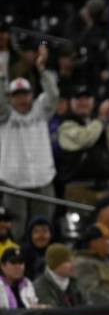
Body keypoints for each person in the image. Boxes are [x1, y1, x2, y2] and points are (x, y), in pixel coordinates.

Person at [0, 43, 59, 242]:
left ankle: (40, 263)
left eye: (25, 94)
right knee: (16, 229)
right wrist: (1, 78)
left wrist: (42, 71)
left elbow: (53, 96)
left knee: (43, 227)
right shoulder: (5, 116)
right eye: (16, 96)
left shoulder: (40, 110)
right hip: (14, 181)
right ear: (10, 98)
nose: (22, 99)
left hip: (42, 178)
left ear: (31, 94)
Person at [74, 223, 109, 304]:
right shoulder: (83, 263)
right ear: (93, 243)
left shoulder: (107, 262)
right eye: (107, 239)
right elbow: (91, 294)